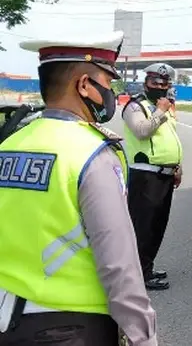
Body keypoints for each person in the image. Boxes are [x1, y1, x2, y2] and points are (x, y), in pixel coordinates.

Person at [0, 31, 158, 345]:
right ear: (84, 84)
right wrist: (143, 338)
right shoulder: (91, 154)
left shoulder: (9, 145)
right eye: (108, 83)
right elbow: (119, 265)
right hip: (70, 329)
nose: (110, 92)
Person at [121, 63, 183, 291]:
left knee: (157, 226)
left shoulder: (161, 106)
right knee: (143, 227)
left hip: (165, 175)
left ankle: (146, 267)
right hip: (145, 176)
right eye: (155, 82)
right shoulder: (136, 107)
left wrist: (177, 167)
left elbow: (170, 139)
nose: (160, 86)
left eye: (164, 83)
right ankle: (139, 276)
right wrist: (161, 111)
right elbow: (142, 131)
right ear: (145, 82)